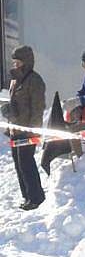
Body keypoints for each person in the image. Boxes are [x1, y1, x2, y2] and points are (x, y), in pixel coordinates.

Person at [1, 45, 46, 210]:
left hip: (28, 130)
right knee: (19, 163)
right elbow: (15, 104)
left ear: (26, 62)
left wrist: (33, 130)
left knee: (26, 162)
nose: (15, 65)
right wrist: (8, 112)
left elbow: (37, 108)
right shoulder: (14, 80)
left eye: (18, 61)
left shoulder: (35, 81)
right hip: (15, 130)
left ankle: (36, 197)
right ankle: (27, 196)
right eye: (14, 62)